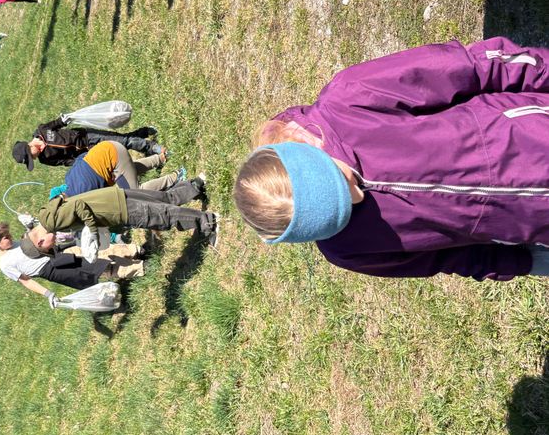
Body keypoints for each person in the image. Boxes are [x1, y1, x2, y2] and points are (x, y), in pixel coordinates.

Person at [233, 37, 549, 281]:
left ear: (304, 147)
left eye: (339, 185)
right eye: (339, 218)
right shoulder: (346, 250)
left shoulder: (350, 98)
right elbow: (446, 259)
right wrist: (525, 263)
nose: (356, 199)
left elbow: (471, 66)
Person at [33, 184, 219, 266]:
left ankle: (208, 222)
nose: (55, 245)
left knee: (163, 216)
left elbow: (77, 206)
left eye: (50, 248)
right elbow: (65, 198)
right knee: (161, 200)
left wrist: (92, 230)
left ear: (40, 242)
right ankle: (195, 186)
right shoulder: (44, 212)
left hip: (117, 209)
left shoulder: (52, 222)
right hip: (112, 197)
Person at [0, 221, 145, 307]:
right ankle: (138, 268)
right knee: (101, 269)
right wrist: (48, 294)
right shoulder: (5, 264)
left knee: (96, 251)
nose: (10, 237)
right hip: (54, 270)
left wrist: (30, 227)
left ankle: (135, 250)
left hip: (58, 253)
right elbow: (26, 281)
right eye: (6, 237)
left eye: (8, 234)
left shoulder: (15, 243)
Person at [12, 115, 161, 169]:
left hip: (86, 136)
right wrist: (83, 161)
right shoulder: (45, 159)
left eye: (31, 156)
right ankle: (145, 138)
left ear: (28, 146)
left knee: (120, 140)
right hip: (87, 152)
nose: (35, 158)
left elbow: (57, 124)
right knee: (118, 145)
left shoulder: (41, 130)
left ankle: (150, 146)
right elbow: (65, 162)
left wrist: (63, 120)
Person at [63, 140, 187, 196]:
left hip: (115, 158)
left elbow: (105, 195)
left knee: (134, 192)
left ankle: (175, 177)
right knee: (129, 172)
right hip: (108, 146)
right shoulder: (68, 179)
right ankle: (161, 158)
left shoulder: (82, 193)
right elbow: (82, 157)